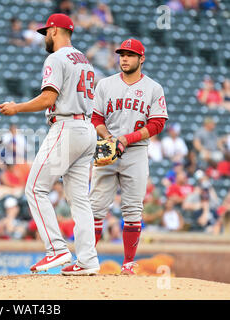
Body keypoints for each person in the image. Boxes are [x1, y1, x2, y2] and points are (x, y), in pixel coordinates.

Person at [0, 13, 100, 276]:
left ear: (55, 31)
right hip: (87, 128)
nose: (45, 36)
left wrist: (17, 108)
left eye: (47, 32)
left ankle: (56, 249)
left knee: (34, 188)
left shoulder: (55, 57)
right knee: (80, 201)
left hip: (66, 126)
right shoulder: (84, 60)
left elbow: (47, 98)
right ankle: (88, 260)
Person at [90, 38, 168, 275]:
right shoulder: (105, 85)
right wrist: (110, 137)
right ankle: (86, 261)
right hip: (108, 148)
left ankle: (128, 264)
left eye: (130, 55)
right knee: (94, 208)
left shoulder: (153, 88)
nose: (124, 58)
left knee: (133, 209)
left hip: (136, 152)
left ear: (141, 59)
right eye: (122, 54)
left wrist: (127, 139)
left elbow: (157, 124)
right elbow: (96, 119)